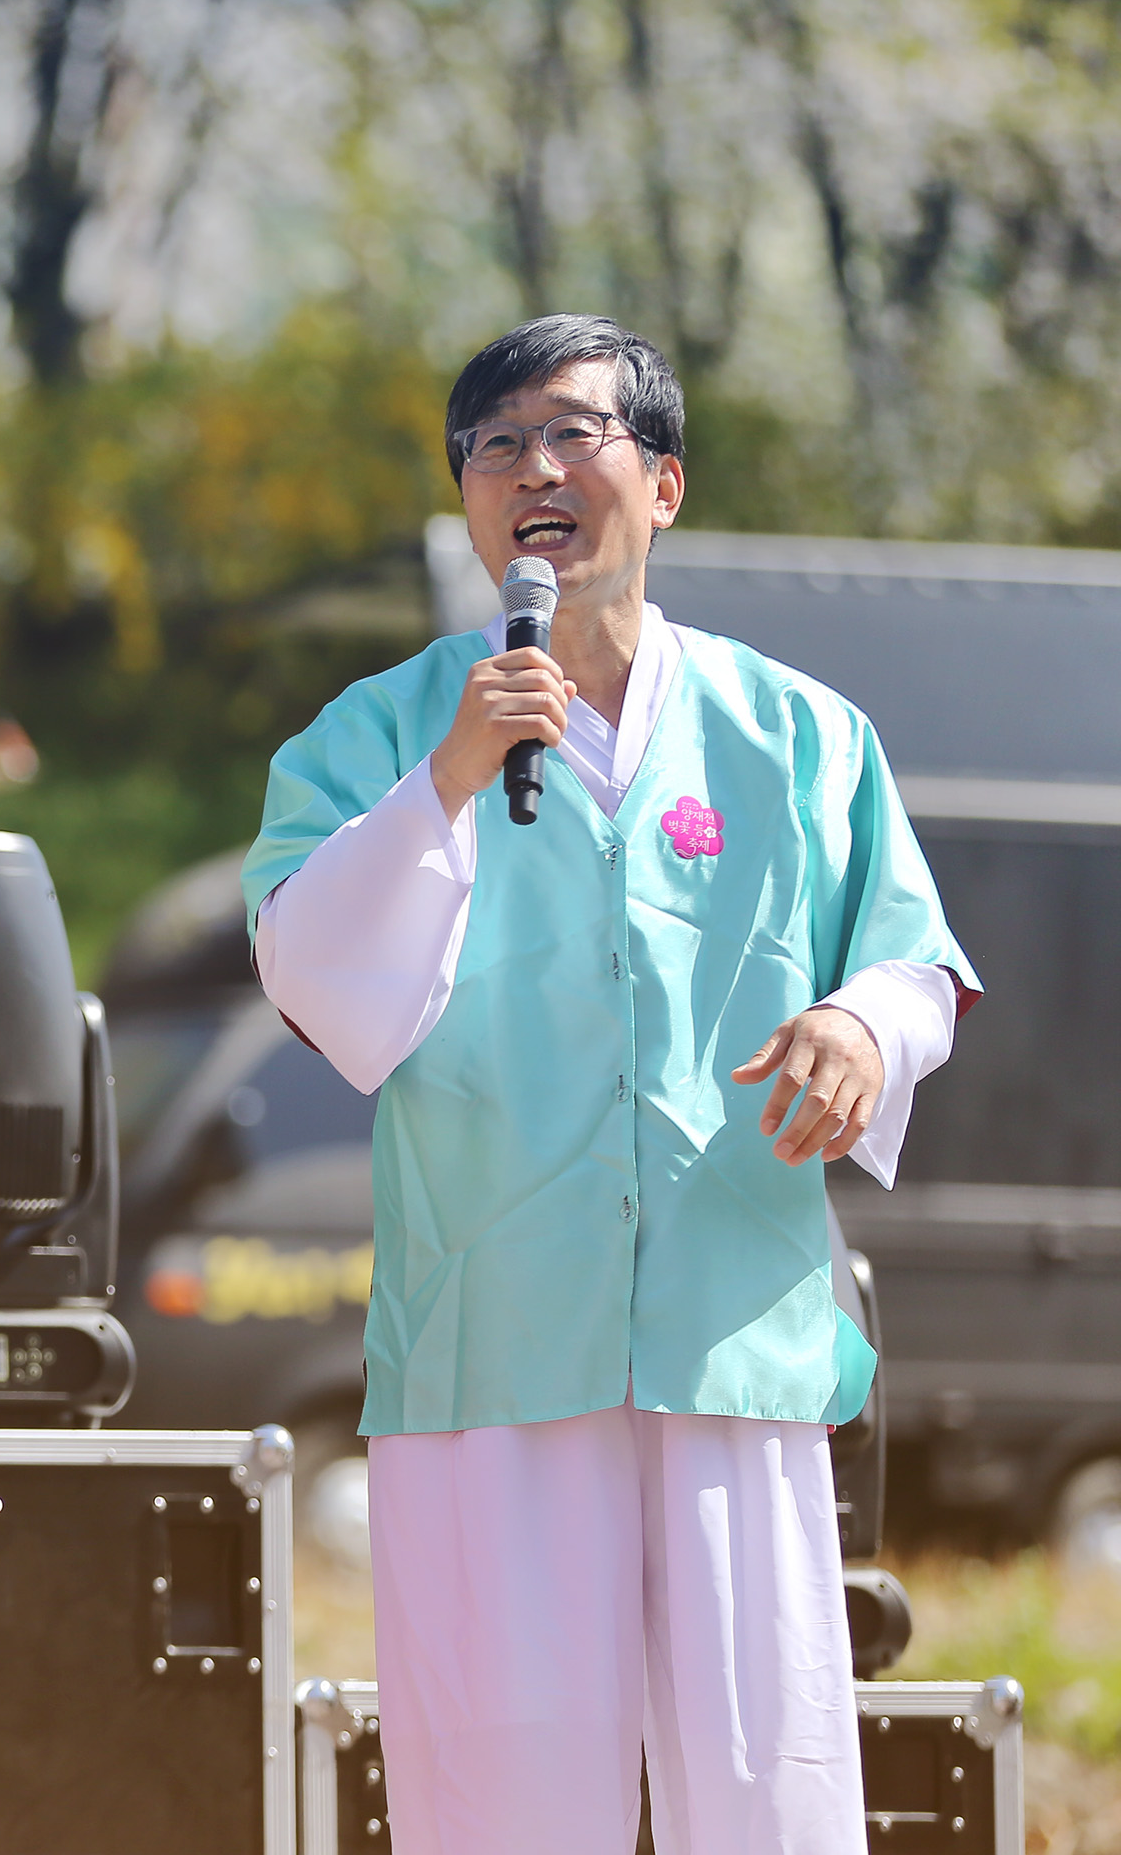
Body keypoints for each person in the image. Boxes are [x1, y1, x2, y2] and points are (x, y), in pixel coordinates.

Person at [247, 315, 978, 1855]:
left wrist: (863, 1027)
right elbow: (310, 977)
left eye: (573, 434)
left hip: (733, 1331)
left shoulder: (798, 733)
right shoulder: (375, 734)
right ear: (468, 503)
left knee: (767, 1787)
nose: (533, 471)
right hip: (489, 1342)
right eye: (495, 447)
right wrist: (444, 786)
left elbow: (915, 963)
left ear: (665, 483)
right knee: (500, 1798)